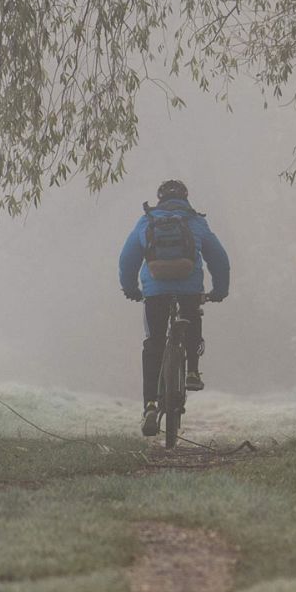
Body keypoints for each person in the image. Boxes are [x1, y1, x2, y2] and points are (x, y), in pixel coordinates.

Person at [118, 179, 230, 437]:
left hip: (155, 290)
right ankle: (191, 370)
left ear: (159, 199)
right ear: (185, 197)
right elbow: (219, 259)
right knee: (191, 318)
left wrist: (131, 289)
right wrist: (219, 291)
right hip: (189, 288)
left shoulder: (146, 221)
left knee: (154, 343)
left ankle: (150, 405)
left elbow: (127, 259)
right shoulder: (195, 221)